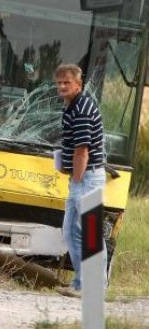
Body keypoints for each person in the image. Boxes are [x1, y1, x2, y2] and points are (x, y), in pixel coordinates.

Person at [54, 63, 107, 297]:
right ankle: (81, 283)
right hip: (79, 178)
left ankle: (94, 287)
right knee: (70, 231)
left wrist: (76, 180)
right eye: (59, 83)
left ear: (78, 84)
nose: (63, 86)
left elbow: (82, 151)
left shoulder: (82, 109)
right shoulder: (71, 107)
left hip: (87, 179)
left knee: (91, 232)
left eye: (67, 82)